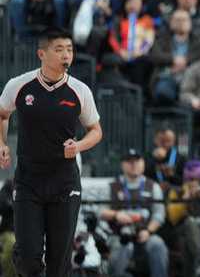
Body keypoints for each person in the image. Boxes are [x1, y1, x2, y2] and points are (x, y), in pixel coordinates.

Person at [0, 28, 103, 277]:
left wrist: (78, 146)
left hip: (64, 181)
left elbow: (96, 131)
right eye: (59, 50)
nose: (66, 55)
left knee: (59, 264)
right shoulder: (19, 85)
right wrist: (2, 143)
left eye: (69, 49)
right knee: (28, 260)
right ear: (41, 54)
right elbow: (2, 114)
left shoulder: (80, 90)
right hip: (28, 180)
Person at [99, 148, 169, 277]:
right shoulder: (112, 186)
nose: (134, 164)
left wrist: (148, 231)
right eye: (129, 161)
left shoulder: (153, 186)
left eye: (137, 161)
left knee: (158, 245)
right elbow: (100, 211)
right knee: (123, 248)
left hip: (145, 234)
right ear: (122, 165)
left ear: (143, 163)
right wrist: (116, 215)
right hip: (120, 235)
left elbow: (159, 215)